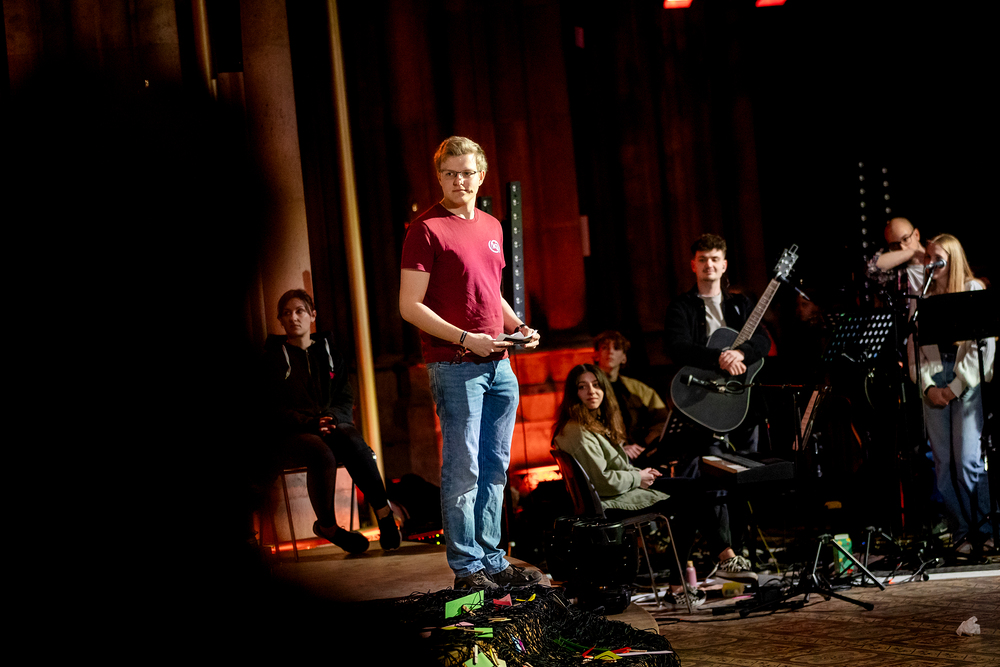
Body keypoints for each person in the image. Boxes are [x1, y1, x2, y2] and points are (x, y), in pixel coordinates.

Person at [399, 136, 543, 590]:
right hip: (455, 364)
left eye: (467, 173)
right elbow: (409, 306)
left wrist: (519, 326)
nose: (459, 181)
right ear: (439, 177)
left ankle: (493, 560)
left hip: (500, 364)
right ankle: (467, 569)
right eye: (450, 173)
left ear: (481, 176)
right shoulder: (425, 229)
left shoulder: (492, 225)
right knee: (464, 468)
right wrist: (466, 339)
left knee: (495, 466)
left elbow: (489, 291)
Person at [553, 364, 758, 604]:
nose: (591, 391)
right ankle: (720, 561)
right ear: (573, 393)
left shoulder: (590, 423)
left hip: (621, 491)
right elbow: (604, 482)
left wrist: (639, 474)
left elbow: (613, 470)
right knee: (692, 495)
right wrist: (638, 478)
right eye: (582, 387)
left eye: (596, 385)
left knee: (694, 491)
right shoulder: (577, 430)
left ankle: (692, 578)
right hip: (612, 502)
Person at [265, 289, 400, 554]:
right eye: (287, 313)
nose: (293, 318)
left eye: (300, 311)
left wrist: (332, 418)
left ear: (313, 315)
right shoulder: (273, 359)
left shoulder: (330, 353)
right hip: (294, 432)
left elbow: (345, 397)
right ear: (280, 320)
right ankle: (327, 526)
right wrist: (311, 423)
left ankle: (384, 513)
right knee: (321, 453)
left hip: (330, 423)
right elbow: (273, 409)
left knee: (352, 440)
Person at [909, 234, 994, 556]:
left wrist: (955, 387)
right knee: (943, 463)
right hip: (934, 380)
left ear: (953, 258)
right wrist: (927, 387)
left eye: (938, 258)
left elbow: (983, 346)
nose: (931, 263)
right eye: (928, 257)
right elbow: (913, 347)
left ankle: (985, 529)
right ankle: (961, 533)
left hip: (964, 382)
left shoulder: (972, 289)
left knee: (967, 460)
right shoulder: (923, 296)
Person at [663, 233, 771, 454]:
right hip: (702, 402)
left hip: (743, 400)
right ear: (693, 265)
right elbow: (677, 347)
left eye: (714, 259)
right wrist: (719, 357)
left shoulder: (740, 304)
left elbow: (762, 340)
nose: (709, 265)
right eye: (702, 259)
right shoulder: (680, 306)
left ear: (724, 265)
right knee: (712, 467)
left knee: (753, 466)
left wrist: (741, 353)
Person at [593, 331, 668, 460]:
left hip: (638, 454)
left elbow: (661, 420)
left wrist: (648, 445)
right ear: (596, 355)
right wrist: (618, 448)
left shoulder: (638, 389)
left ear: (624, 357)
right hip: (605, 457)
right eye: (605, 348)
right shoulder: (588, 389)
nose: (610, 352)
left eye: (616, 348)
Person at [867, 217, 928, 315]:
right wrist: (912, 252)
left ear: (916, 234)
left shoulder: (936, 261)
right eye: (895, 245)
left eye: (905, 239)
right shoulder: (896, 270)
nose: (902, 247)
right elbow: (871, 266)